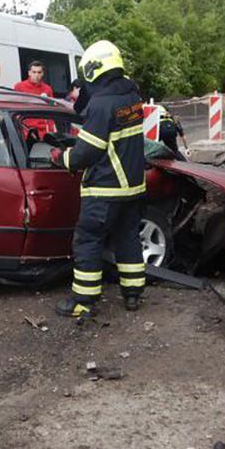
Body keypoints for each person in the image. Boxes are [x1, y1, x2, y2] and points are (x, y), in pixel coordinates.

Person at [49, 40, 146, 319]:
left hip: (105, 189)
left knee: (87, 240)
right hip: (133, 187)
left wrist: (61, 158)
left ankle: (84, 299)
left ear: (93, 68)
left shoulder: (102, 104)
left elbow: (86, 153)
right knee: (128, 238)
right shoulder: (132, 97)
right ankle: (133, 294)